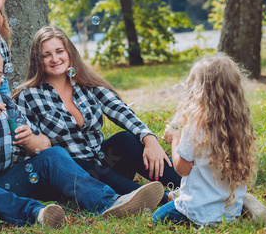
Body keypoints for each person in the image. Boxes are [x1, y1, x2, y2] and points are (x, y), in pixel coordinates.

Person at [0, 46, 165, 228]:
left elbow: (43, 146)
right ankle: (35, 213)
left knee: (53, 154)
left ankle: (109, 203)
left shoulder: (3, 103)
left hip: (0, 184)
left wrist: (31, 140)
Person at [13, 26, 181, 201]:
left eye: (59, 51)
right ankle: (163, 197)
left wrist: (149, 138)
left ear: (69, 52)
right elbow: (28, 147)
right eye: (46, 55)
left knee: (124, 139)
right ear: (38, 59)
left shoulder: (85, 82)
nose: (54, 59)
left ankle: (186, 183)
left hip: (103, 164)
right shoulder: (28, 95)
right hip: (71, 178)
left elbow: (119, 110)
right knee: (76, 164)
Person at [152, 55, 266, 225]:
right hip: (230, 212)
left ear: (198, 92)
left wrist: (174, 138)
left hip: (198, 211)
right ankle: (243, 207)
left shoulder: (194, 127)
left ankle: (179, 196)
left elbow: (182, 169)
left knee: (158, 218)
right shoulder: (238, 126)